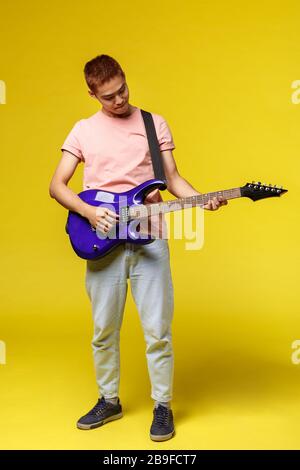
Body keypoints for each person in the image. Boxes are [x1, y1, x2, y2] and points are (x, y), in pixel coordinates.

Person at [49, 54, 228, 442]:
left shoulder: (153, 123)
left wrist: (202, 199)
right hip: (102, 240)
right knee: (103, 329)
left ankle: (162, 406)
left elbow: (173, 179)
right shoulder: (82, 130)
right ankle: (108, 400)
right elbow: (58, 185)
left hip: (150, 239)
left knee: (158, 330)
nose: (119, 100)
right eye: (109, 96)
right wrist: (88, 212)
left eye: (123, 89)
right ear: (93, 93)